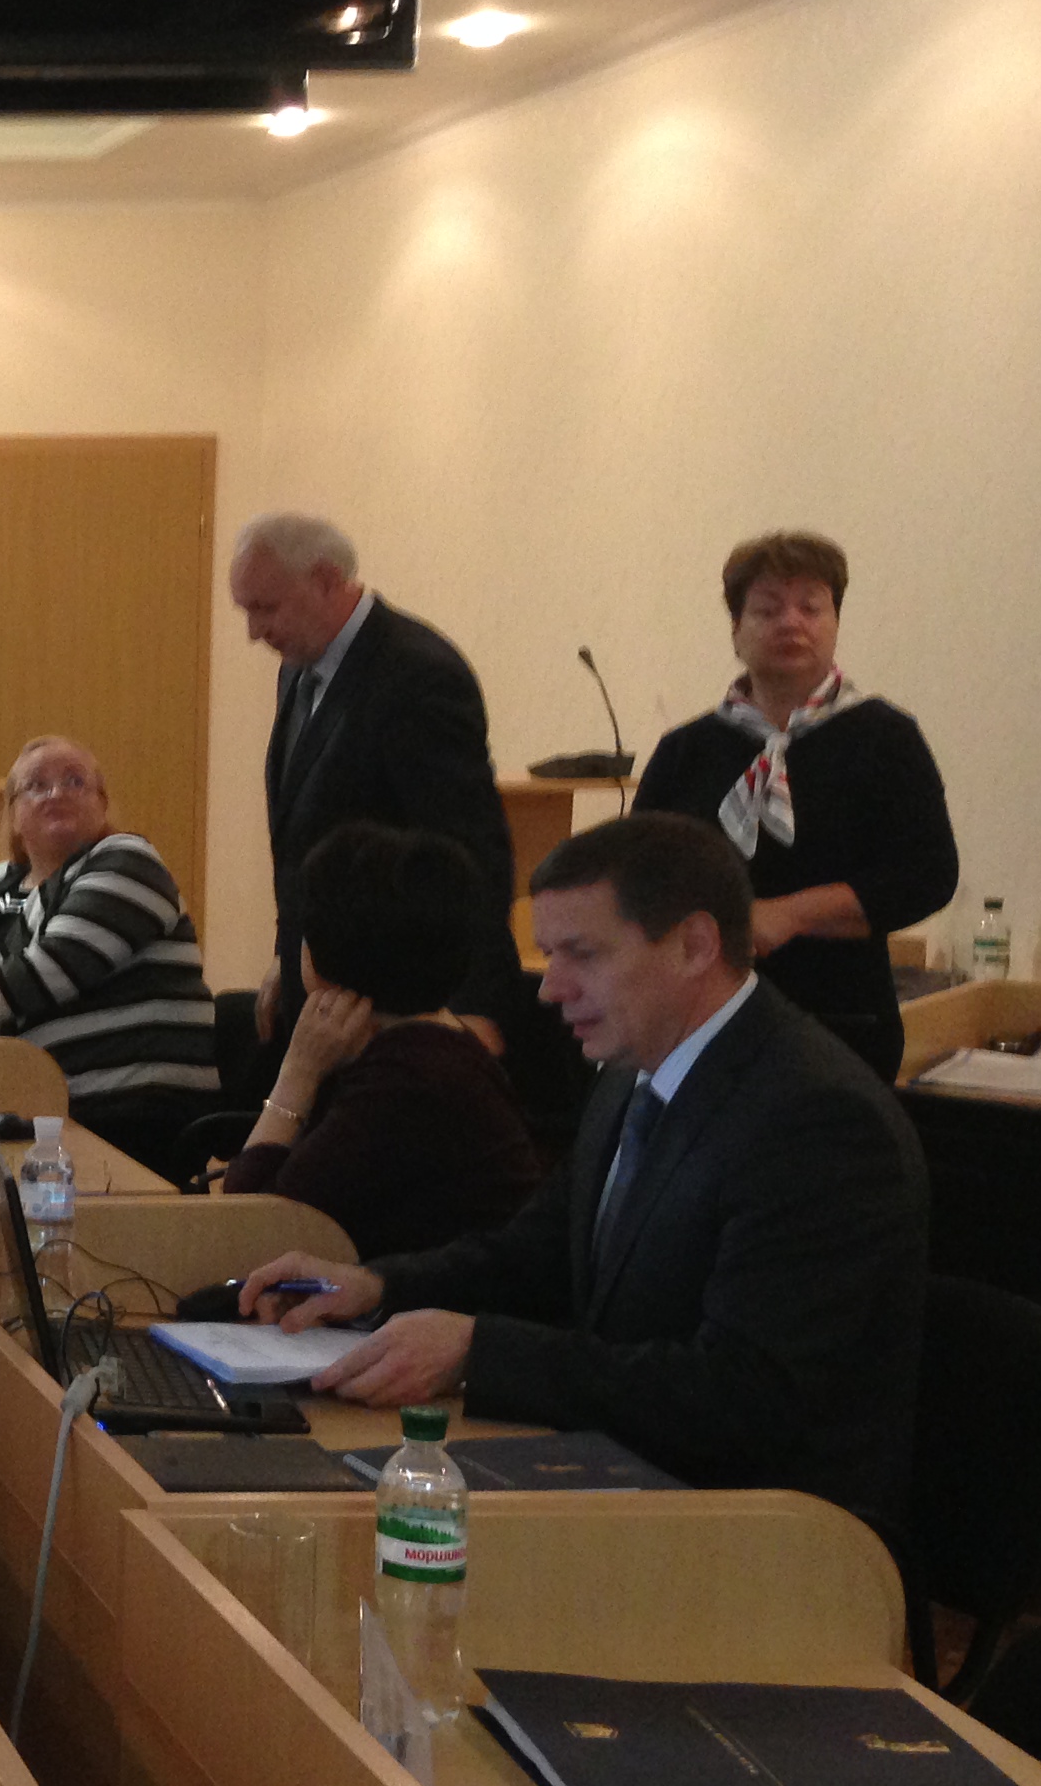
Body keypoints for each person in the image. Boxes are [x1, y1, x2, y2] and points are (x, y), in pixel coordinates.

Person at [243, 814, 927, 1533]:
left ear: (695, 946)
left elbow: (743, 1396)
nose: (549, 989)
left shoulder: (817, 1119)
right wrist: (375, 1286)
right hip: (629, 1478)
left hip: (762, 1534)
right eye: (550, 955)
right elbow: (536, 1254)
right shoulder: (634, 1071)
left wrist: (477, 1351)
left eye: (581, 954)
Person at [633, 531, 956, 1081]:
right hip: (698, 1021)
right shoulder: (686, 750)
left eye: (811, 607)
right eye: (767, 609)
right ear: (736, 631)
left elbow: (927, 875)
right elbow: (640, 879)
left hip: (842, 1023)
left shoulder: (885, 737)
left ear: (835, 624)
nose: (791, 623)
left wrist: (788, 915)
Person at [230, 512, 526, 1054]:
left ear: (325, 580)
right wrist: (288, 953)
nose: (254, 632)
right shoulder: (297, 669)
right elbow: (304, 838)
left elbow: (469, 850)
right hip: (327, 991)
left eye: (266, 608)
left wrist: (472, 1009)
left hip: (398, 1004)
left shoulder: (417, 674)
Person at [0, 735, 218, 1174]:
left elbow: (43, 975)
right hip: (24, 1102)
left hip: (122, 1109)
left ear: (102, 804)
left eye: (74, 781)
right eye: (37, 785)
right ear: (13, 815)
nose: (56, 793)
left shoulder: (126, 860)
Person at [219, 822, 542, 1256]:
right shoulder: (432, 1050)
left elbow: (246, 1231)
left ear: (323, 956)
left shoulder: (408, 1081)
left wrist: (296, 1074)